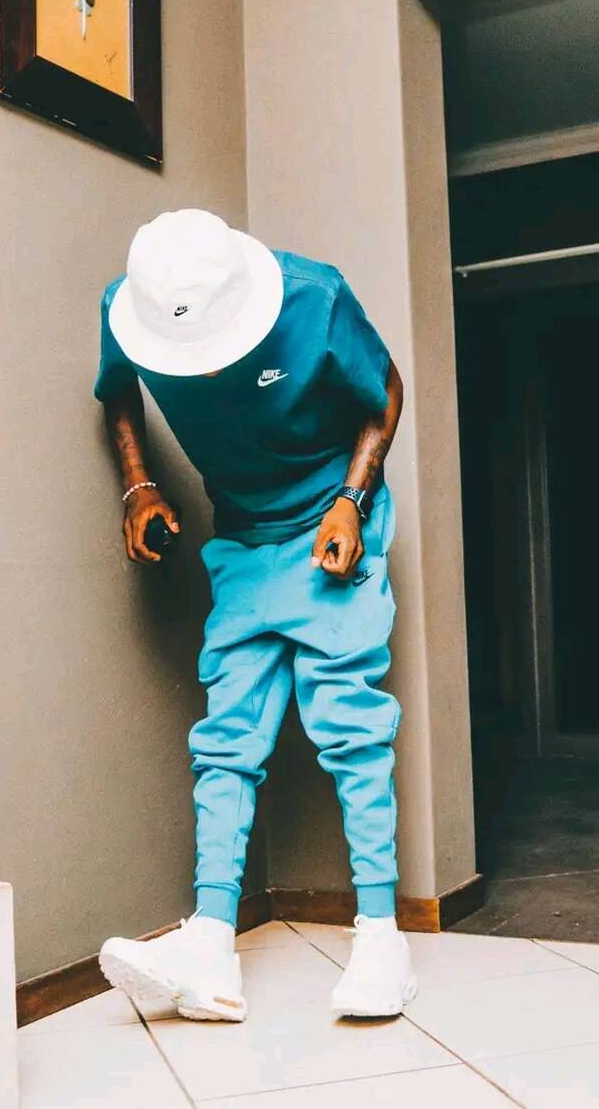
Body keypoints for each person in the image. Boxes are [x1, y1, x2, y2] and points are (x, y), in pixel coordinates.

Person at [97, 209, 415, 1022]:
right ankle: (209, 945)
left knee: (348, 725)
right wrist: (138, 486)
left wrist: (351, 499)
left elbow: (385, 389)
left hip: (330, 522)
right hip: (241, 539)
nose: (204, 373)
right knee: (226, 739)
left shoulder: (314, 297)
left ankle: (382, 939)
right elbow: (118, 390)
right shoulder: (130, 309)